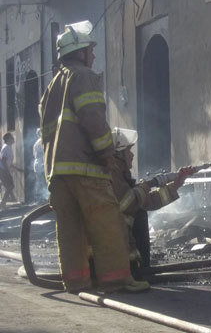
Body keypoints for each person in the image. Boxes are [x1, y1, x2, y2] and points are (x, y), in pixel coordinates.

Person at [39, 20, 148, 293]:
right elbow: (92, 118)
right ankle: (116, 279)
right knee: (106, 221)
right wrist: (107, 153)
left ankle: (76, 281)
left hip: (58, 173)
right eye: (91, 49)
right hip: (85, 167)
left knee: (70, 229)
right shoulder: (83, 76)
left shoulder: (53, 85)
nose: (94, 55)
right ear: (79, 53)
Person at [110, 127, 195, 275]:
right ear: (119, 154)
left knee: (141, 211)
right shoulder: (113, 174)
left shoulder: (121, 175)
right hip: (112, 240)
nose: (132, 155)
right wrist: (146, 186)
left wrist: (177, 183)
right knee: (140, 214)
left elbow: (149, 201)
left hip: (118, 238)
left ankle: (140, 269)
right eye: (129, 150)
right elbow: (127, 204)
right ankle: (137, 270)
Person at [0, 132, 24, 209]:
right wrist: (7, 171)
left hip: (4, 169)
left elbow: (8, 162)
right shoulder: (6, 147)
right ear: (8, 139)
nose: (13, 139)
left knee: (9, 185)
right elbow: (3, 160)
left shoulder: (8, 147)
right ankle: (3, 202)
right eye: (11, 138)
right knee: (10, 186)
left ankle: (9, 199)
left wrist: (17, 169)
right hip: (3, 170)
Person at [32, 128, 46, 204]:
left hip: (37, 164)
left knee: (39, 182)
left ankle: (38, 199)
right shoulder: (42, 141)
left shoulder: (36, 143)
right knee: (43, 182)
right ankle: (42, 199)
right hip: (41, 165)